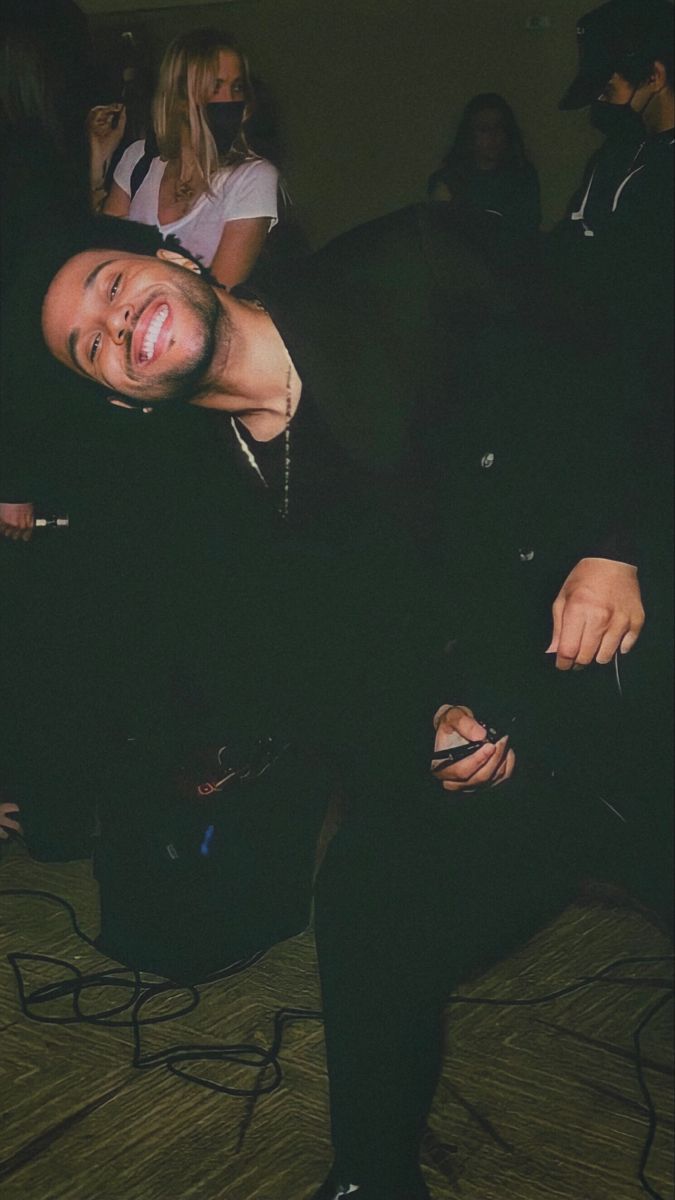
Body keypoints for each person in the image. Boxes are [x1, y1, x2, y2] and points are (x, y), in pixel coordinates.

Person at [27, 209, 668, 1196]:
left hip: (634, 638)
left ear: (172, 256)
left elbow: (627, 349)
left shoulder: (408, 265)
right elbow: (330, 671)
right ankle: (370, 1179)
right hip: (502, 717)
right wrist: (427, 724)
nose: (119, 326)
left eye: (112, 285)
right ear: (121, 397)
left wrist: (614, 540)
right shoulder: (213, 499)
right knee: (367, 903)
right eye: (91, 347)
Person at [87, 28, 280, 288]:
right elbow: (100, 259)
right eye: (215, 88)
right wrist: (98, 160)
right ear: (178, 98)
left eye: (237, 88)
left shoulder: (252, 178)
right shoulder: (138, 160)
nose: (230, 100)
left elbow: (217, 298)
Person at [427, 93, 541, 238]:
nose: (493, 136)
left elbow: (526, 231)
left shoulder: (523, 177)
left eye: (499, 128)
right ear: (469, 135)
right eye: (484, 129)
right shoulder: (449, 181)